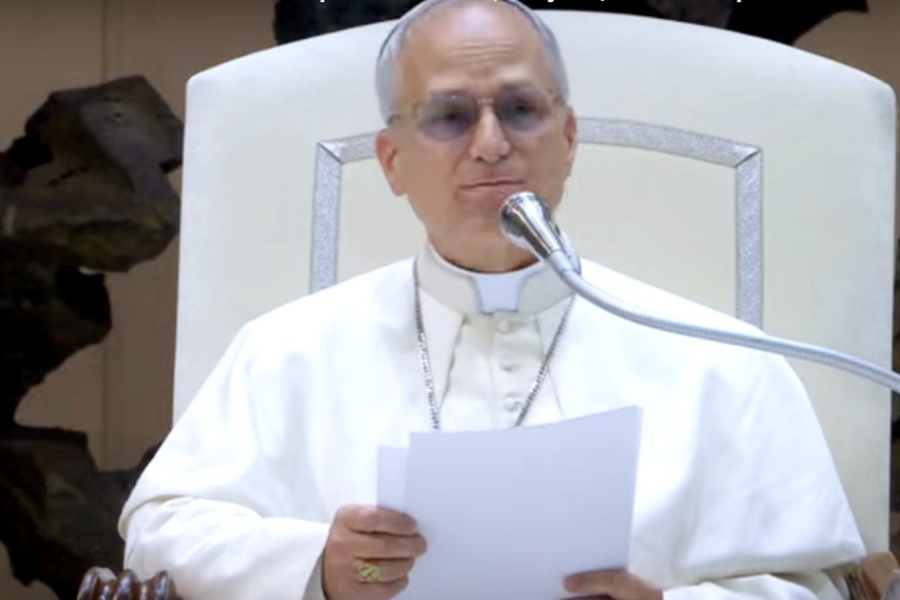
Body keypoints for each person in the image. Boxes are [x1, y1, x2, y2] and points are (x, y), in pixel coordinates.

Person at [119, 0, 865, 599]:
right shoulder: (285, 351)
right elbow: (160, 533)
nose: (490, 144)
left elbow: (815, 586)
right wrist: (317, 566)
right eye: (449, 116)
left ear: (568, 138)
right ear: (392, 162)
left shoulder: (722, 361)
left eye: (519, 109)